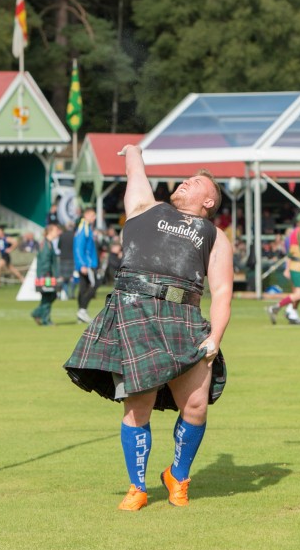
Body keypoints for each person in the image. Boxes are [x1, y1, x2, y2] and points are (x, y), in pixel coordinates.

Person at [64, 146, 233, 511]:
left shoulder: (213, 236)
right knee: (137, 403)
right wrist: (134, 153)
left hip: (185, 318)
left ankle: (177, 476)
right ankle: (137, 487)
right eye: (187, 179)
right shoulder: (146, 209)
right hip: (135, 309)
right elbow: (135, 176)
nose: (187, 182)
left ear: (209, 202)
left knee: (196, 406)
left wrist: (215, 337)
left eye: (197, 183)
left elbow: (222, 291)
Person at [266, 212, 300, 325]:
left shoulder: (295, 232)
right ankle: (275, 308)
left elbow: (290, 252)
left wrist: (287, 268)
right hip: (298, 266)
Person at [31, 224, 63, 325]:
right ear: (50, 232)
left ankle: (38, 314)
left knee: (50, 296)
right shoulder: (46, 244)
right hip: (46, 275)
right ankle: (44, 319)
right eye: (55, 230)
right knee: (49, 295)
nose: (57, 232)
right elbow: (45, 261)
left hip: (47, 274)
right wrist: (47, 275)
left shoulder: (48, 243)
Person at [73, 207, 100, 324]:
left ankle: (81, 314)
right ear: (87, 215)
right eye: (93, 215)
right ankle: (82, 310)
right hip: (87, 264)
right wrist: (82, 264)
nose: (94, 218)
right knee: (94, 285)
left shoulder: (86, 228)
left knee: (83, 288)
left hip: (87, 263)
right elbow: (78, 248)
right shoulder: (83, 228)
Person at [0, 226, 24, 292]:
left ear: (2, 232)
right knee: (12, 269)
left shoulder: (6, 238)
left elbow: (15, 242)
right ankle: (22, 279)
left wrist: (10, 249)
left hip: (5, 256)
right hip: (2, 255)